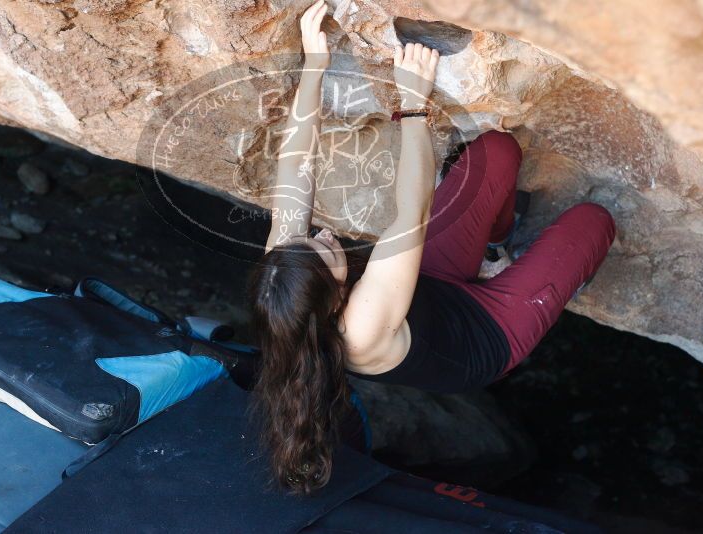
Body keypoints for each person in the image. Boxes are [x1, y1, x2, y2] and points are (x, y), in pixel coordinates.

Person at [247, 0, 616, 495]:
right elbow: (411, 211)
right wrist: (413, 104)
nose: (325, 235)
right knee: (593, 222)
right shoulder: (361, 325)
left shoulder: (288, 271)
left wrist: (314, 66)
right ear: (336, 298)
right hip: (484, 336)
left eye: (311, 236)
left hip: (425, 285)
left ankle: (496, 246)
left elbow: (295, 166)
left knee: (496, 153)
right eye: (327, 250)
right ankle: (519, 276)